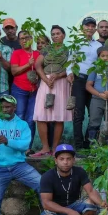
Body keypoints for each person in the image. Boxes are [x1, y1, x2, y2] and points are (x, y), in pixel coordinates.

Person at [39, 144, 106, 215]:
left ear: (73, 160)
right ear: (55, 160)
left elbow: (91, 191)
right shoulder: (47, 177)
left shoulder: (79, 172)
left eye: (68, 159)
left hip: (75, 207)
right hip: (56, 211)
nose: (65, 162)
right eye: (62, 159)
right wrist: (68, 211)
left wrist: (102, 203)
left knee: (91, 204)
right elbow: (46, 203)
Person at [31, 26, 71, 157]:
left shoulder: (68, 50)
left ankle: (55, 148)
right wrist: (45, 79)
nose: (55, 36)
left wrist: (58, 75)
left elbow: (71, 68)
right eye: (53, 34)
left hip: (61, 83)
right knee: (41, 115)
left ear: (63, 35)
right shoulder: (47, 49)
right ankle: (45, 148)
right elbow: (38, 65)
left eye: (58, 34)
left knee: (59, 117)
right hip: (46, 82)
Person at [68, 17, 102, 150]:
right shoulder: (75, 43)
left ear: (95, 29)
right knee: (78, 115)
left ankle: (89, 144)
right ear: (82, 28)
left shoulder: (98, 46)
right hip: (79, 80)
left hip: (93, 82)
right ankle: (78, 146)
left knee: (93, 114)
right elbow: (70, 61)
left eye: (92, 26)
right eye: (87, 26)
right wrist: (69, 73)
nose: (90, 28)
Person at [85, 47, 108, 143]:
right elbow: (88, 86)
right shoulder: (94, 69)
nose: (105, 58)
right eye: (102, 56)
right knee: (94, 123)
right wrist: (99, 94)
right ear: (98, 58)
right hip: (96, 100)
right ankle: (93, 146)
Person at [10, 30, 40, 143]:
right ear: (19, 41)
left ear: (31, 39)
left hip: (34, 90)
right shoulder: (17, 53)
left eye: (27, 37)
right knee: (20, 117)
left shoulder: (37, 54)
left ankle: (28, 147)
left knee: (31, 119)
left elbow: (42, 71)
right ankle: (17, 145)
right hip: (19, 89)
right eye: (22, 38)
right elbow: (14, 71)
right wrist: (28, 64)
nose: (25, 40)